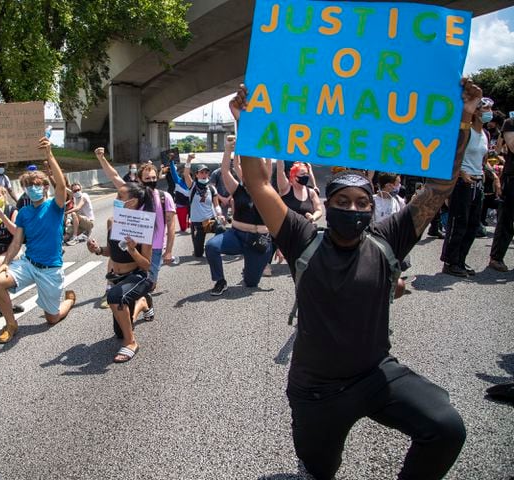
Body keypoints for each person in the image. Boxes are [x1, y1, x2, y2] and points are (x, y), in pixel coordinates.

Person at [232, 78, 478, 480]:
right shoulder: (302, 239)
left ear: (372, 209)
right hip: (317, 391)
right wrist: (248, 123)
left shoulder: (387, 239)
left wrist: (462, 120)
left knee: (446, 428)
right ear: (327, 207)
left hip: (376, 374)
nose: (353, 208)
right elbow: (258, 183)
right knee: (319, 471)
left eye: (362, 203)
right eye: (342, 202)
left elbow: (439, 186)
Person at [0, 139, 76, 344]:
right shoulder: (24, 213)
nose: (32, 188)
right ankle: (11, 323)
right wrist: (4, 265)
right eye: (28, 186)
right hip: (29, 265)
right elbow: (16, 243)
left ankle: (70, 301)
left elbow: (62, 186)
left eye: (36, 185)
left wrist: (49, 154)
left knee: (52, 318)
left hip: (50, 269)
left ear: (45, 187)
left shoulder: (55, 206)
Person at [86, 182, 154, 363]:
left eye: (119, 197)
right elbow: (111, 251)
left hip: (136, 276)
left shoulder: (145, 225)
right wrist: (97, 250)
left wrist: (133, 250)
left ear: (132, 202)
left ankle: (131, 342)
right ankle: (142, 303)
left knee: (115, 298)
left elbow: (147, 265)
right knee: (118, 330)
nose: (115, 200)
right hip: (116, 278)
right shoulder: (112, 221)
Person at [94, 147, 176, 289]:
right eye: (147, 178)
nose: (151, 181)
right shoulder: (134, 194)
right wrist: (101, 158)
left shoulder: (165, 197)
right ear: (139, 179)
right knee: (127, 281)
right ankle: (110, 289)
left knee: (150, 285)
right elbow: (114, 177)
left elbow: (171, 225)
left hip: (154, 248)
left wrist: (168, 250)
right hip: (131, 244)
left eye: (153, 178)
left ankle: (142, 302)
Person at [205, 136, 273, 296]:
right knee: (211, 246)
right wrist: (228, 149)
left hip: (259, 241)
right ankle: (220, 281)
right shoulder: (238, 189)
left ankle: (252, 267)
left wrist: (268, 151)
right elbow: (225, 171)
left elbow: (269, 167)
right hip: (236, 235)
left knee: (251, 284)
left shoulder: (268, 190)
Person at [441, 97, 496, 277]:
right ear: (476, 112)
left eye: (490, 109)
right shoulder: (466, 132)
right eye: (485, 109)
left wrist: (494, 176)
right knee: (459, 222)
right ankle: (450, 262)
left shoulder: (485, 135)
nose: (489, 112)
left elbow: (483, 161)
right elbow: (451, 156)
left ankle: (461, 260)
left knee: (473, 224)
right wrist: (461, 174)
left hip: (478, 182)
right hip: (463, 182)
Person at [183, 158, 224, 257]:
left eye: (206, 172)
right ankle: (199, 249)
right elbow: (186, 174)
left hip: (210, 220)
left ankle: (214, 247)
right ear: (196, 175)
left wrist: (219, 214)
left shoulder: (211, 188)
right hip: (197, 222)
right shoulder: (192, 186)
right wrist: (188, 160)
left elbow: (216, 205)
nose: (204, 174)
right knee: (198, 254)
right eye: (201, 172)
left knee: (221, 229)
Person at [489, 115, 514, 272]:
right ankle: (496, 258)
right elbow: (512, 146)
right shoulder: (510, 123)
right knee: (507, 220)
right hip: (512, 179)